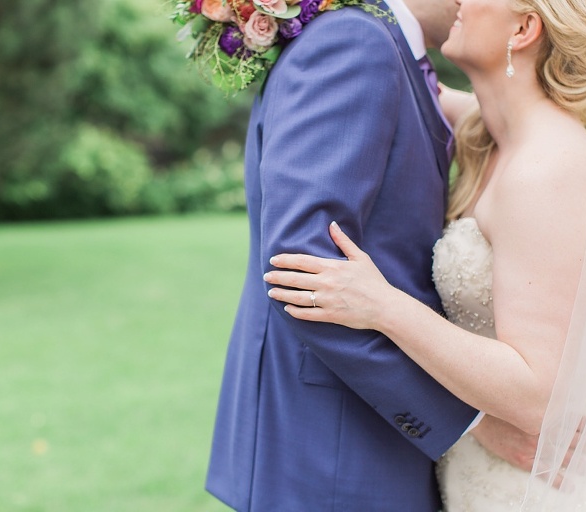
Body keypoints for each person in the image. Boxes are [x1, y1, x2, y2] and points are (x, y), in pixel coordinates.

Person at [264, 0, 586, 510]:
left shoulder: (550, 171)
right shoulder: (489, 132)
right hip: (478, 476)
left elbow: (534, 394)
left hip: (541, 485)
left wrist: (385, 306)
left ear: (523, 28)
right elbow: (393, 77)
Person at [206, 0, 543, 510]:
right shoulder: (355, 45)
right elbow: (304, 269)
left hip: (359, 435)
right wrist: (468, 420)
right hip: (333, 446)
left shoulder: (396, 54)